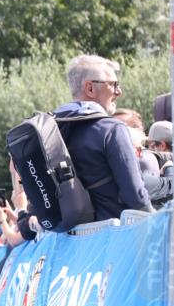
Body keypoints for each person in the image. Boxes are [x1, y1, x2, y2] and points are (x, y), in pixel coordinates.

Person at [51, 55, 152, 220]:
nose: (119, 92)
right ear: (90, 88)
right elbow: (136, 197)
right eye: (113, 84)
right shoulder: (112, 130)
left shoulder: (55, 130)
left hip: (69, 240)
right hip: (112, 237)